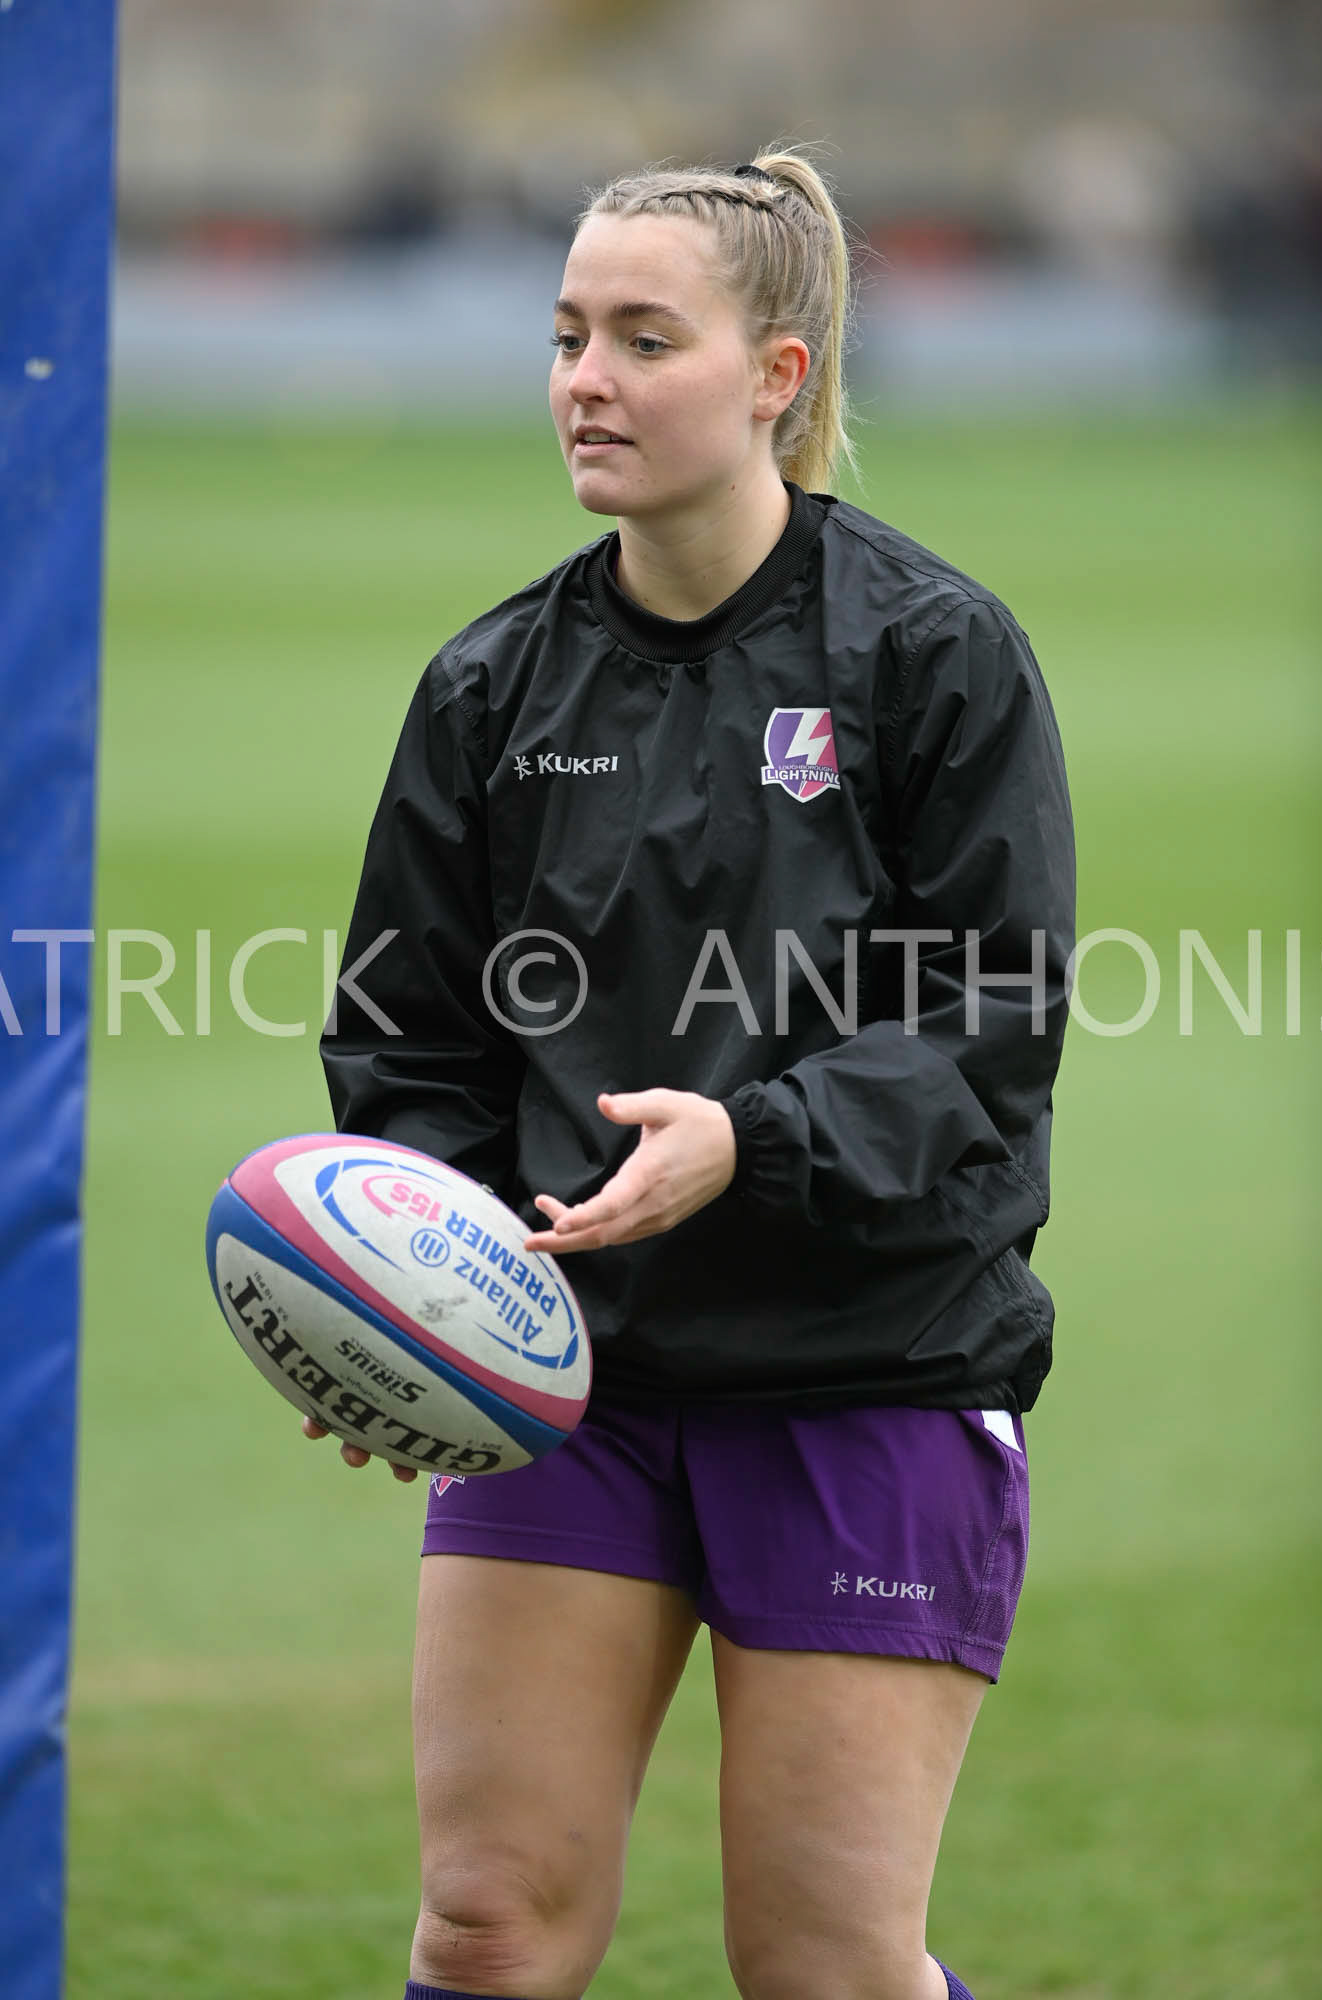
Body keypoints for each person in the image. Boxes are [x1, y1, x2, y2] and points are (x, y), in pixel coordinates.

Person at [312, 144, 1077, 2000]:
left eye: (643, 338)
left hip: (864, 1370)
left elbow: (986, 1017)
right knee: (488, 1927)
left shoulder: (930, 654)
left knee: (820, 1961)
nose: (584, 377)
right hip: (572, 1386)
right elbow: (411, 1033)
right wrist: (420, 1289)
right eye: (568, 333)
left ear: (774, 375)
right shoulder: (492, 686)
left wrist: (749, 1139)